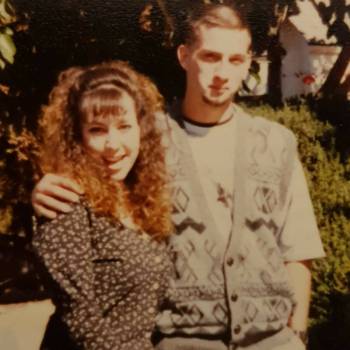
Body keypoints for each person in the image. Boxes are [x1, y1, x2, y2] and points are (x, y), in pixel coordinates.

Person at [31, 3, 325, 350]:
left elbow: (297, 247)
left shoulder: (276, 143)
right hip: (181, 341)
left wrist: (298, 333)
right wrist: (48, 186)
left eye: (235, 60)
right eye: (210, 57)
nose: (222, 73)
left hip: (273, 342)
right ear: (185, 56)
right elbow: (91, 168)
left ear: (248, 62)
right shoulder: (146, 137)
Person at [31, 61, 173, 350]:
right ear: (78, 136)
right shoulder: (67, 201)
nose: (113, 144)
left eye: (124, 127)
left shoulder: (141, 199)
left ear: (141, 130)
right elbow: (80, 316)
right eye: (97, 130)